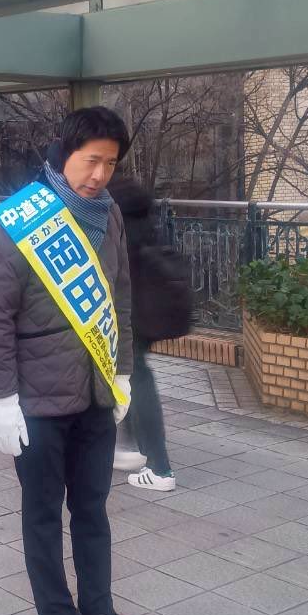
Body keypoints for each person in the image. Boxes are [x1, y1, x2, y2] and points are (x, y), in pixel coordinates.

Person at [0, 106, 146, 615]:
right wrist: (2, 399)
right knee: (44, 514)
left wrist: (121, 372)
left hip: (96, 396)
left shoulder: (110, 214)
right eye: (91, 160)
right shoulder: (20, 220)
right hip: (37, 402)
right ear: (64, 152)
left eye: (110, 164)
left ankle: (99, 611)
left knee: (93, 510)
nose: (99, 174)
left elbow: (120, 297)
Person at [109, 176, 177, 492]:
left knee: (137, 379)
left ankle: (159, 467)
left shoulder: (113, 211)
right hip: (145, 311)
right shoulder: (139, 211)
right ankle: (131, 446)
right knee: (131, 374)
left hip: (129, 314)